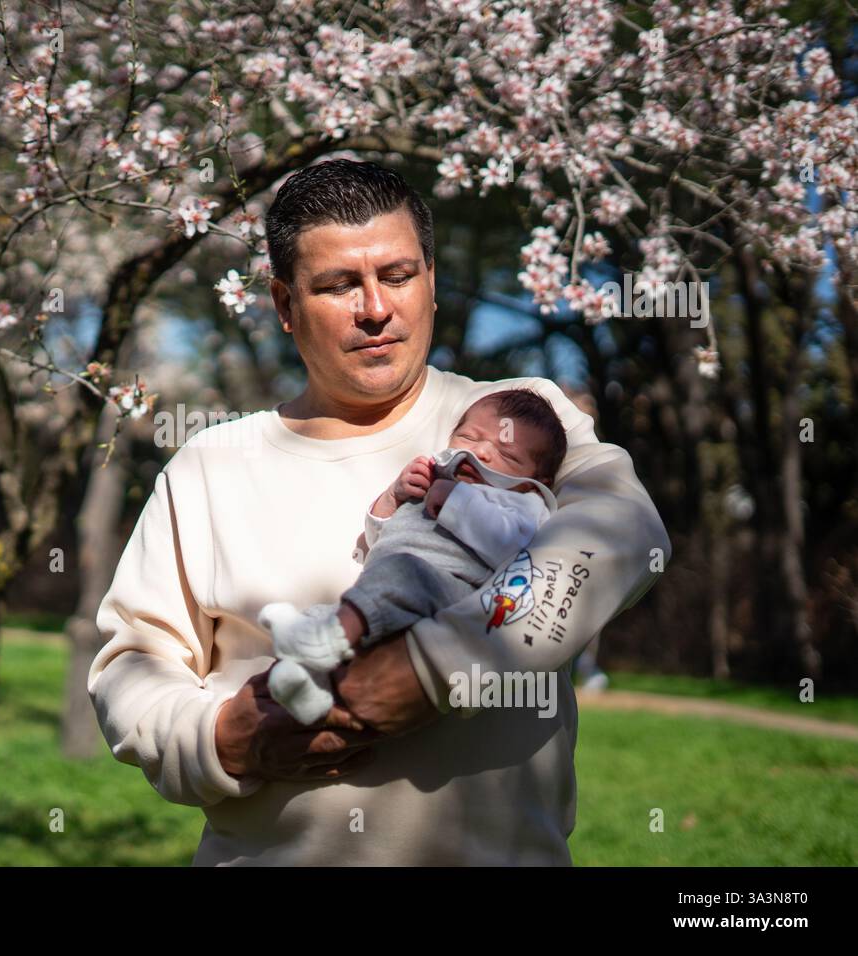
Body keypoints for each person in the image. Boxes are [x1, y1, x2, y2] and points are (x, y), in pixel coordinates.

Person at [88, 159, 669, 866]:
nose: (375, 308)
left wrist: (434, 669)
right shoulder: (209, 466)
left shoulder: (519, 420)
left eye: (397, 276)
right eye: (338, 285)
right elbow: (132, 666)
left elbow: (624, 533)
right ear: (283, 304)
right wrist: (222, 739)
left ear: (428, 280)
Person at [259, 388, 565, 725]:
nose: (480, 453)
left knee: (397, 578)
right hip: (385, 588)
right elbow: (380, 538)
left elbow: (511, 545)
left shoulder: (525, 502)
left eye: (506, 453)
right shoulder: (437, 479)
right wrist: (394, 497)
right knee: (322, 613)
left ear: (536, 480)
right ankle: (308, 690)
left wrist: (457, 501)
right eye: (469, 437)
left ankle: (324, 642)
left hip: (445, 595)